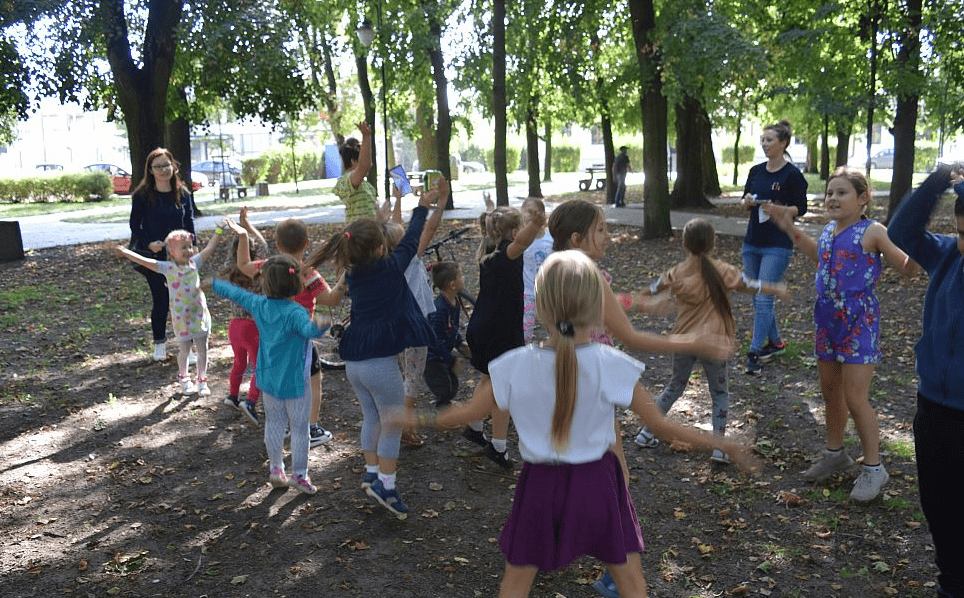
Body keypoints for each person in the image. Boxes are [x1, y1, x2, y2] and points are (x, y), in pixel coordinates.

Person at [399, 250, 758, 598]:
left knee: (515, 586)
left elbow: (465, 414)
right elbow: (661, 426)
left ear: (540, 308)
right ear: (598, 308)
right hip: (599, 485)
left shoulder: (512, 365)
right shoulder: (611, 364)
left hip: (539, 488)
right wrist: (723, 443)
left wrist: (416, 417)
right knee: (632, 587)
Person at [546, 199, 734, 598]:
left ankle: (557, 539)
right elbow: (629, 336)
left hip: (563, 376)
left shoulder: (556, 270)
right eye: (601, 230)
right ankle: (613, 572)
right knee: (617, 476)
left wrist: (642, 303)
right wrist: (693, 341)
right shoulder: (589, 274)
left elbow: (601, 307)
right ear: (577, 238)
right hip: (592, 380)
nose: (608, 237)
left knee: (577, 467)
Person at [765, 167, 917, 501]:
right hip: (827, 320)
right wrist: (788, 226)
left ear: (863, 198)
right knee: (830, 392)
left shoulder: (872, 231)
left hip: (858, 322)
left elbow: (907, 267)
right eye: (829, 193)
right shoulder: (829, 231)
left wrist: (922, 251)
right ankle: (835, 454)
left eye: (842, 192)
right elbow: (817, 256)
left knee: (855, 397)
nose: (833, 198)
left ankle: (874, 468)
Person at [304, 189, 438, 519]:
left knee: (372, 417)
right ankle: (386, 486)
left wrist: (384, 219)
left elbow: (397, 242)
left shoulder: (352, 274)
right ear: (380, 247)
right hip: (379, 365)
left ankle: (371, 472)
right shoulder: (391, 268)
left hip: (355, 364)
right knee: (392, 422)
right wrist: (422, 206)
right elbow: (411, 240)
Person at [628, 219, 788, 462]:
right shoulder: (724, 271)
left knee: (675, 386)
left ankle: (646, 433)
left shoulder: (676, 272)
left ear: (684, 244)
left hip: (683, 340)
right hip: (714, 342)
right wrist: (775, 288)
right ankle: (719, 448)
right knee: (720, 393)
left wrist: (641, 301)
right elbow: (750, 285)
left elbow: (652, 289)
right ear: (713, 243)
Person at [888, 164, 964, 598]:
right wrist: (937, 181)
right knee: (940, 509)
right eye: (963, 233)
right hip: (934, 408)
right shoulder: (948, 255)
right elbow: (902, 231)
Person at [211, 255, 331, 495]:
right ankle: (299, 475)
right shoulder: (296, 312)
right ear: (297, 285)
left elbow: (236, 294)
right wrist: (322, 324)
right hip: (295, 381)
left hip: (267, 378)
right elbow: (309, 331)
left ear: (266, 284)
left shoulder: (259, 304)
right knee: (300, 428)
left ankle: (276, 468)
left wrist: (214, 283)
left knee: (274, 423)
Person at [232, 217, 345, 447]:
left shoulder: (270, 267)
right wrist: (347, 276)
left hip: (272, 338)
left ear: (277, 244)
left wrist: (243, 236)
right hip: (300, 340)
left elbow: (243, 264)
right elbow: (331, 299)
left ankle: (281, 426)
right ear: (307, 243)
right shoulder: (308, 274)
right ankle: (311, 428)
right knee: (313, 381)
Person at [464, 202, 547, 470]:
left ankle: (474, 426)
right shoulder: (506, 254)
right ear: (512, 232)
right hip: (499, 330)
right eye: (520, 227)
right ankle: (498, 446)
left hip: (484, 326)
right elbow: (522, 242)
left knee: (488, 378)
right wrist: (536, 223)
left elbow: (516, 239)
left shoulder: (489, 249)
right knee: (504, 387)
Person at [379, 176, 450, 446]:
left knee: (398, 375)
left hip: (392, 325)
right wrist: (442, 201)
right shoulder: (410, 254)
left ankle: (393, 422)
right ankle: (405, 430)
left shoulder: (384, 258)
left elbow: (395, 227)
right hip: (415, 325)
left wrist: (398, 199)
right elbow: (430, 227)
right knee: (412, 378)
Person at [114, 225, 225, 396]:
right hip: (181, 318)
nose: (189, 250)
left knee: (203, 349)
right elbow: (145, 261)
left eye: (190, 246)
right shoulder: (167, 268)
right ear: (172, 252)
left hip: (199, 315)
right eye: (183, 247)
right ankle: (184, 379)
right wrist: (125, 252)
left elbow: (210, 248)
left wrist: (219, 230)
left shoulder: (195, 263)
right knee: (185, 350)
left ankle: (202, 380)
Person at [739, 119, 809, 375]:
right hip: (752, 242)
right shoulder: (756, 171)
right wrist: (747, 202)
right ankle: (776, 342)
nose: (764, 144)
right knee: (757, 295)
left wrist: (781, 210)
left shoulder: (792, 175)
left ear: (783, 143)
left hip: (777, 244)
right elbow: (744, 200)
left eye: (769, 140)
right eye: (763, 140)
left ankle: (755, 352)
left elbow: (801, 208)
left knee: (763, 296)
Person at [128, 148, 198, 362]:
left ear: (173, 166)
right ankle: (160, 344)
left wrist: (192, 244)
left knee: (185, 301)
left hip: (180, 257)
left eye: (166, 165)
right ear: (150, 170)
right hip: (156, 257)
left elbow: (189, 222)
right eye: (158, 166)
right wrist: (149, 243)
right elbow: (135, 225)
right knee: (161, 300)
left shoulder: (182, 193)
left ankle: (188, 347)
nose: (163, 170)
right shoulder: (142, 195)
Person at [219, 207, 267, 425]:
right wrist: (247, 225)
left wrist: (241, 230)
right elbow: (263, 245)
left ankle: (232, 396)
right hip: (253, 327)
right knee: (260, 365)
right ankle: (251, 401)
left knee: (239, 362)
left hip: (235, 326)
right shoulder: (257, 270)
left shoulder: (230, 270)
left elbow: (238, 251)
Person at [424, 261, 470, 408]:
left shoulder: (454, 302)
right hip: (433, 358)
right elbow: (435, 339)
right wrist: (451, 360)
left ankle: (447, 404)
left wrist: (459, 343)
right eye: (460, 276)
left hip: (442, 354)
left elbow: (452, 328)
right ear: (452, 285)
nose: (463, 278)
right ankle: (443, 410)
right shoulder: (439, 310)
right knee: (444, 387)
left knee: (452, 383)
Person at [521, 197, 553, 343]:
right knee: (525, 331)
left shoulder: (550, 238)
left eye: (533, 212)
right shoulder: (521, 241)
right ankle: (524, 350)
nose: (529, 216)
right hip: (528, 292)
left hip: (548, 292)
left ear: (542, 216)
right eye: (526, 213)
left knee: (554, 327)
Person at [334, 121, 378, 223]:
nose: (370, 163)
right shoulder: (346, 181)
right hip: (357, 233)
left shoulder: (367, 186)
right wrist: (366, 137)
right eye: (365, 158)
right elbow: (364, 167)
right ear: (353, 161)